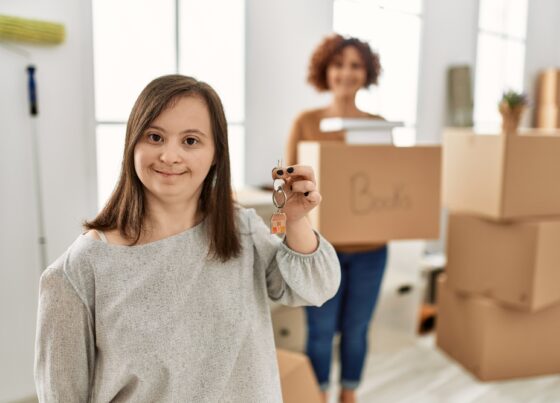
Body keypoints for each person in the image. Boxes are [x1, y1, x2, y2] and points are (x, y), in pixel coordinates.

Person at [34, 75, 341, 402]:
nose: (170, 155)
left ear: (216, 155)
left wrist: (296, 221)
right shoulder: (76, 273)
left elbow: (315, 288)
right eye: (154, 137)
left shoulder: (240, 230)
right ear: (132, 144)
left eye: (191, 141)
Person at [286, 34, 387, 403]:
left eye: (355, 65)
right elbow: (287, 185)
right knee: (320, 330)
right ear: (325, 70)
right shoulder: (306, 122)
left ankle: (349, 394)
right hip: (319, 249)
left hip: (371, 247)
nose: (346, 73)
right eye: (339, 64)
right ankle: (320, 396)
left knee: (357, 329)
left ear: (366, 72)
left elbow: (389, 185)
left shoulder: (379, 126)